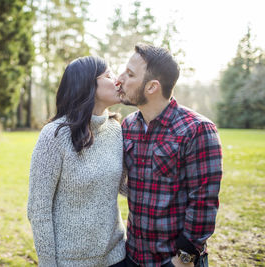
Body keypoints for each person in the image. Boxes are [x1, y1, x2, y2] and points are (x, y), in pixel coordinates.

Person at [116, 44, 222, 267]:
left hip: (174, 261)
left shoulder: (197, 129)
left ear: (152, 87)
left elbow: (203, 204)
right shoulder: (128, 126)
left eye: (130, 74)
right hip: (133, 257)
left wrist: (182, 260)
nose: (120, 78)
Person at [27, 56, 128, 267]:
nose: (117, 80)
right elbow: (39, 209)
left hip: (117, 255)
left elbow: (123, 187)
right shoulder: (54, 136)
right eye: (108, 75)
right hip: (70, 261)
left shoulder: (116, 130)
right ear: (87, 85)